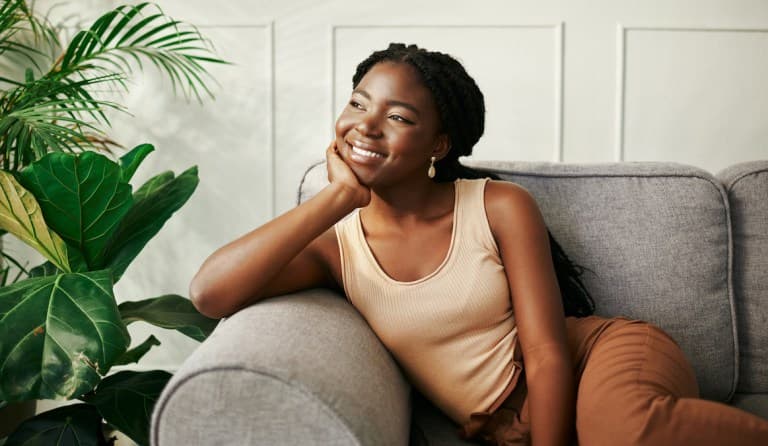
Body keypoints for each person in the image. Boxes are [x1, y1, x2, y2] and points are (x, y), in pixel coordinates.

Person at [189, 43, 768, 446]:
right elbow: (210, 295)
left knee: (621, 432)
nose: (365, 125)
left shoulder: (498, 205)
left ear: (438, 145)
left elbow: (546, 351)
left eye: (399, 117)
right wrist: (336, 197)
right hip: (509, 417)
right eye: (358, 103)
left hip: (600, 356)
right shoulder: (336, 245)